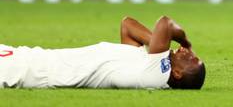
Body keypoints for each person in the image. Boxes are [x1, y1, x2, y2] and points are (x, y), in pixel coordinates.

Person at [0, 16, 205, 89]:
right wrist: (159, 47)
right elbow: (127, 25)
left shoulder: (156, 75)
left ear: (177, 73)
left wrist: (186, 41)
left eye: (190, 59)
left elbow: (165, 23)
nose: (186, 52)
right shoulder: (144, 63)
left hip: (30, 71)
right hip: (29, 56)